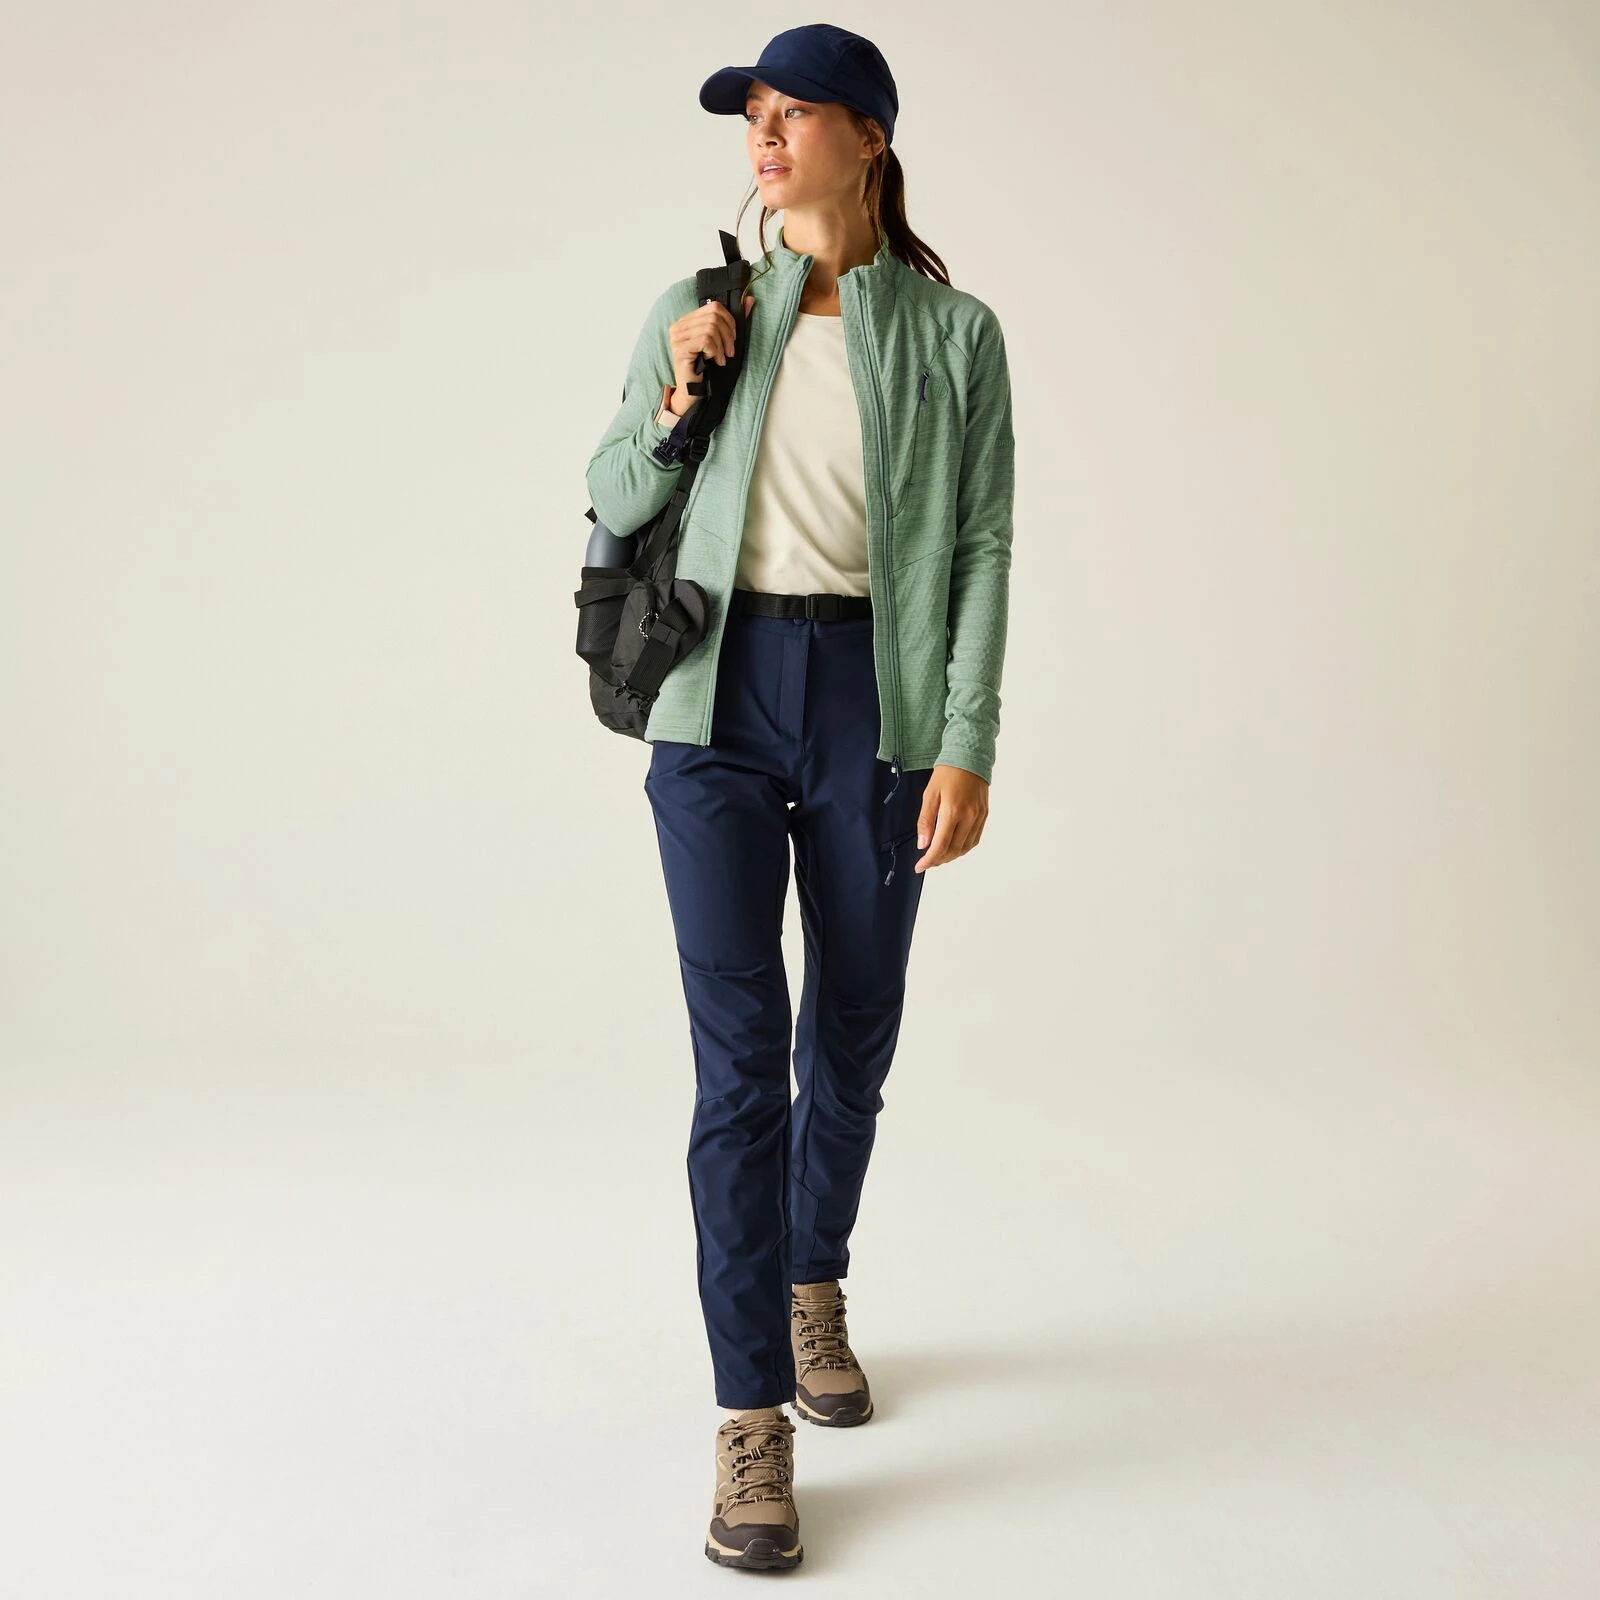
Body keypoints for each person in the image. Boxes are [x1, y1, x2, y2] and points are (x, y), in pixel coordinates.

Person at [584, 23, 1015, 1573]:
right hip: (712, 703)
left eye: (794, 114)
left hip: (873, 706)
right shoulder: (700, 306)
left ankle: (810, 1274)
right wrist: (681, 393)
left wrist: (966, 738)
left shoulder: (954, 336)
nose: (764, 140)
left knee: (854, 1032)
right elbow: (613, 493)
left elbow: (981, 544)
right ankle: (749, 1416)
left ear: (870, 137)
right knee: (737, 1067)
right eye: (751, 118)